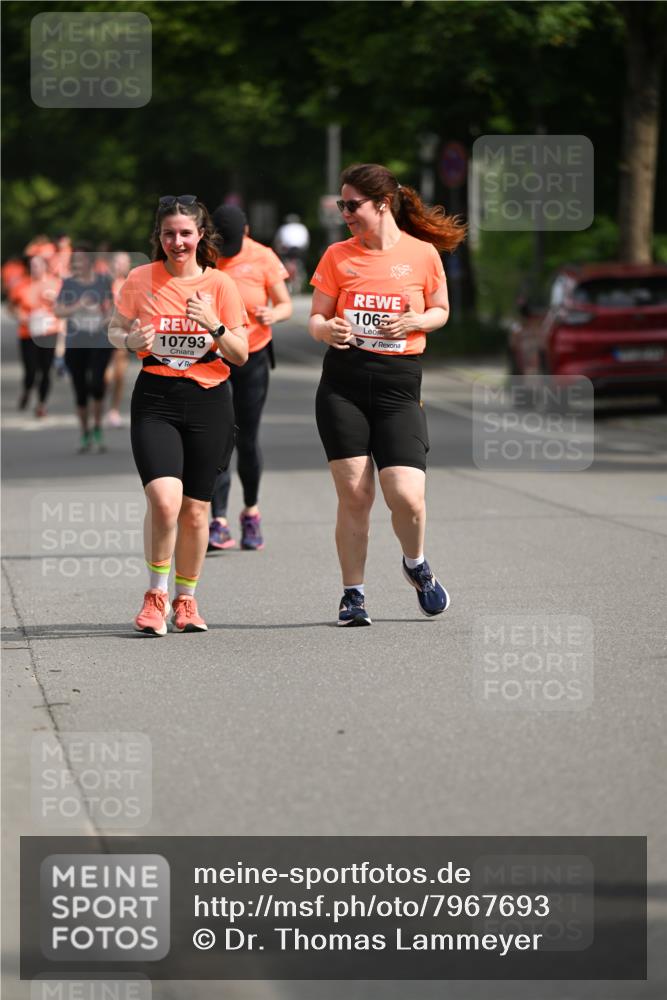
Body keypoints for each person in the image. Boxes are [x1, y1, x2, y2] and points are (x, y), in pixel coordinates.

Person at [308, 163, 466, 626]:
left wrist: (417, 321)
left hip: (399, 387)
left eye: (352, 205)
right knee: (355, 496)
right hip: (343, 385)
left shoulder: (422, 255)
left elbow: (441, 310)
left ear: (382, 204)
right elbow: (315, 318)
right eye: (341, 205)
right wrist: (327, 328)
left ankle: (415, 564)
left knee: (407, 496)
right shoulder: (337, 255)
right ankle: (353, 595)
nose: (345, 213)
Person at [108, 195, 248, 636]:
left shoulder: (221, 286)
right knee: (165, 501)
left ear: (201, 235)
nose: (177, 241)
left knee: (195, 510)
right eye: (169, 233)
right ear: (159, 237)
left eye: (186, 233)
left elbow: (240, 354)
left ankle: (186, 600)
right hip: (156, 398)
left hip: (209, 400)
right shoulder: (140, 278)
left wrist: (214, 324)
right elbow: (115, 329)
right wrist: (130, 341)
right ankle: (156, 595)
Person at [208, 205, 292, 551]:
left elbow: (284, 303)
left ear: (245, 231)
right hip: (215, 358)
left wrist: (274, 312)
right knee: (219, 437)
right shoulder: (208, 256)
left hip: (254, 355)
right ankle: (219, 520)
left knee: (247, 437)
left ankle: (251, 512)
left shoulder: (263, 257)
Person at [55, 244, 115, 452]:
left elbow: (113, 307)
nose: (77, 264)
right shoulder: (68, 284)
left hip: (99, 341)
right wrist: (78, 306)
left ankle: (97, 427)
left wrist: (105, 319)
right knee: (80, 389)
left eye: (80, 260)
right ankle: (84, 432)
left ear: (89, 261)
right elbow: (58, 311)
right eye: (74, 261)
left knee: (97, 385)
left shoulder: (103, 281)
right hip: (76, 343)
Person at [10, 254, 63, 417]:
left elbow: (66, 306)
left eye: (38, 265)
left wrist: (55, 304)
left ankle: (41, 404)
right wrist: (19, 316)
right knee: (31, 371)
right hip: (27, 333)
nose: (35, 269)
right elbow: (12, 307)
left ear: (45, 267)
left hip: (48, 332)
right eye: (32, 266)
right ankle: (27, 389)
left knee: (46, 369)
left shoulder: (56, 284)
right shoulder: (22, 285)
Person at [106, 251, 133, 427]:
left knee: (119, 375)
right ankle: (100, 401)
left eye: (124, 262)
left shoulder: (131, 284)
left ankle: (113, 410)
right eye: (117, 262)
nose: (120, 265)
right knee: (104, 375)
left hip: (122, 333)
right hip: (103, 333)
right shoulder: (104, 282)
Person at [274, 213, 309, 293]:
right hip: (300, 250)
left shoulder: (283, 228)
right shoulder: (302, 227)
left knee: (284, 264)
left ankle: (287, 279)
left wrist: (278, 249)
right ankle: (299, 277)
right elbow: (306, 241)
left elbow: (277, 241)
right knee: (300, 264)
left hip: (287, 250)